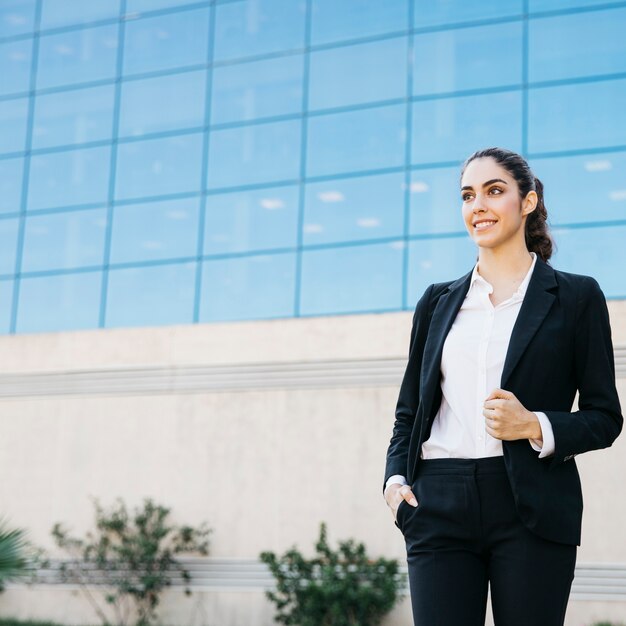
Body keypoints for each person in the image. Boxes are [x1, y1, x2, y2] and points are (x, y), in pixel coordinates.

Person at [382, 146, 623, 626]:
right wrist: (394, 481)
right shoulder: (437, 302)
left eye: (494, 191)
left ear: (528, 201)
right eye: (468, 195)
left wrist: (535, 425)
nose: (479, 206)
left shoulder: (577, 297)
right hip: (438, 500)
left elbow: (605, 417)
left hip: (530, 504)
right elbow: (410, 408)